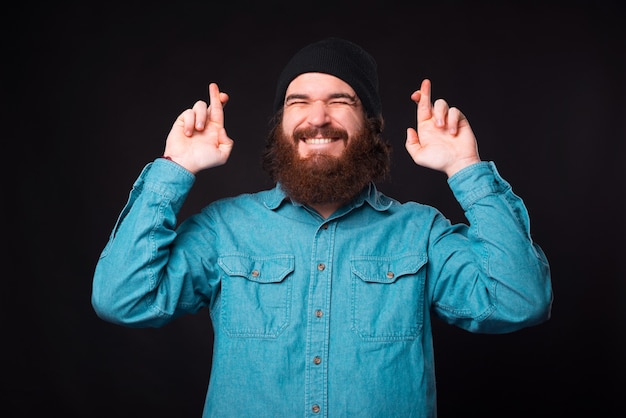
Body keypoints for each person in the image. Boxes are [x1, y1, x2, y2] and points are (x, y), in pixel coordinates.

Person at [92, 37, 553, 417]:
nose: (317, 118)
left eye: (340, 101)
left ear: (370, 125)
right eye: (299, 102)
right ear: (281, 124)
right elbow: (123, 298)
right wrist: (175, 169)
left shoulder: (421, 232)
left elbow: (520, 301)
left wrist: (466, 169)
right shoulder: (223, 228)